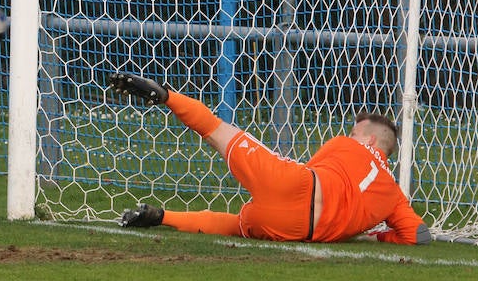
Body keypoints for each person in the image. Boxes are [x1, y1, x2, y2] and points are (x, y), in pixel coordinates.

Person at [110, 71, 432, 245]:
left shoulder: (343, 145)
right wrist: (375, 236)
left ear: (370, 138)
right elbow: (419, 236)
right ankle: (162, 217)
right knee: (237, 226)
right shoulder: (394, 196)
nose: (350, 135)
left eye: (355, 131)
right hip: (297, 231)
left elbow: (310, 174)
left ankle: (166, 95)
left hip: (295, 186)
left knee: (218, 131)